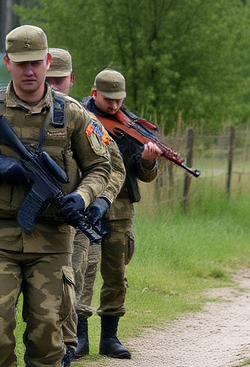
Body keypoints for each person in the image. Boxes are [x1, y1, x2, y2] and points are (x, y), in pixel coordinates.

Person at [0, 25, 112, 367]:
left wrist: (81, 198)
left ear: (48, 61)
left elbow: (101, 167)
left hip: (52, 241)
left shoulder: (74, 114)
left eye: (36, 62)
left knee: (48, 336)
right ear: (7, 62)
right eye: (21, 63)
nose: (30, 71)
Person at [47, 48, 126, 360]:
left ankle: (72, 344)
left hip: (77, 218)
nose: (53, 85)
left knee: (76, 281)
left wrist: (99, 202)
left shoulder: (85, 118)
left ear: (71, 80)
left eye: (59, 79)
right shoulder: (13, 117)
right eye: (48, 78)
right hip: (34, 221)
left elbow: (114, 167)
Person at [82, 69, 161, 359]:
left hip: (119, 209)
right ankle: (79, 337)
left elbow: (145, 176)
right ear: (94, 94)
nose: (114, 105)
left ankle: (110, 337)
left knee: (116, 274)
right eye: (107, 99)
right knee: (83, 273)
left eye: (118, 100)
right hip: (86, 205)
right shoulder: (79, 117)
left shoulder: (134, 127)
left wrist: (148, 161)